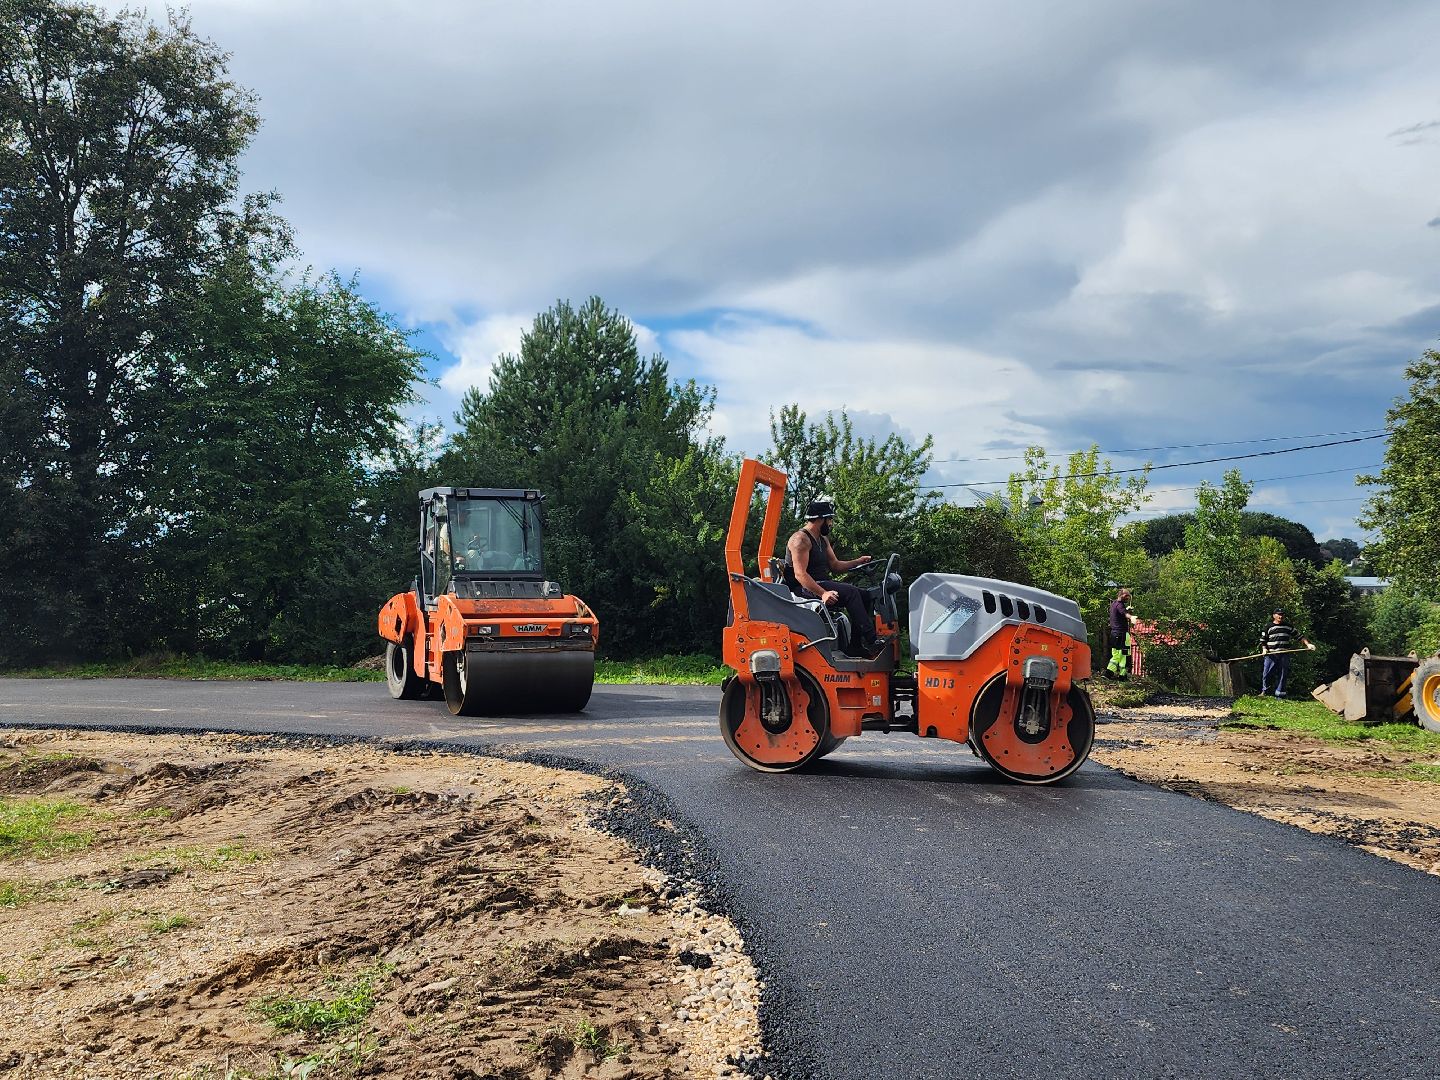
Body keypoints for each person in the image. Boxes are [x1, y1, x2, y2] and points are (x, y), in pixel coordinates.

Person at [785, 496, 885, 658]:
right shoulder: (800, 540)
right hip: (803, 589)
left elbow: (835, 565)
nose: (831, 524)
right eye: (830, 519)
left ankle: (855, 646)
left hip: (820, 583)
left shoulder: (822, 539)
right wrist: (823, 593)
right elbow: (800, 574)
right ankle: (872, 640)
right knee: (851, 592)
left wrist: (858, 561)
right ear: (820, 519)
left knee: (866, 595)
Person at [1258, 610, 1314, 698]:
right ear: (1274, 616)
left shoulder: (1288, 626)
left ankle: (1280, 694)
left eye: (1282, 615)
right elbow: (1263, 640)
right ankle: (1265, 692)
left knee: (1283, 674)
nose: (1280, 616)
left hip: (1284, 654)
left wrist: (1308, 644)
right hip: (1271, 654)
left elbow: (1299, 636)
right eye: (1279, 615)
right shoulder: (1268, 626)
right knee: (1267, 673)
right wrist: (1264, 649)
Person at [1106, 588, 1137, 679]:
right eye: (1127, 596)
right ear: (1122, 595)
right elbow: (1124, 613)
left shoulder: (1114, 604)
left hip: (1116, 633)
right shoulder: (1120, 605)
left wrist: (1127, 610)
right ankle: (1108, 673)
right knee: (1118, 655)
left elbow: (1121, 612)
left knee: (1123, 654)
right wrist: (1131, 617)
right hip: (1120, 634)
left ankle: (1122, 675)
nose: (1128, 598)